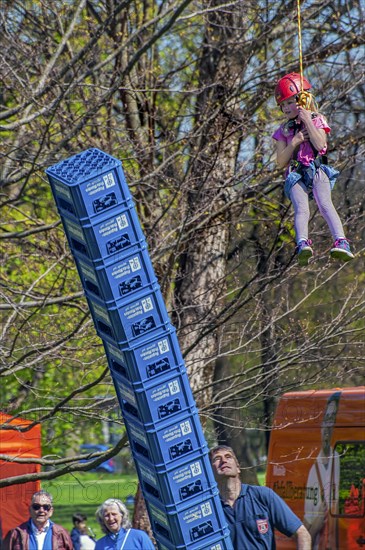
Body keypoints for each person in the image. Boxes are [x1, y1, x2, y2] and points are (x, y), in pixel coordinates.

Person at [272, 72, 354, 266]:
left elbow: (321, 146)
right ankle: (302, 243)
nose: (285, 108)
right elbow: (280, 161)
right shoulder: (283, 131)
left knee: (325, 203)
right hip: (295, 173)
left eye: (289, 102)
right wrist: (294, 142)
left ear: (302, 99)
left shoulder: (317, 119)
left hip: (317, 169)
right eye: (282, 105)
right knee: (302, 209)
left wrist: (307, 120)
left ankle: (341, 241)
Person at [209, 445, 311, 549]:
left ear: (238, 467)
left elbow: (302, 534)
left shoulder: (263, 496)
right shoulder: (210, 509)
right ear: (209, 472)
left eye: (228, 456)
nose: (224, 461)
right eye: (217, 458)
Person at [304, 391, 341, 549]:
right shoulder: (314, 471)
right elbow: (305, 530)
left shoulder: (339, 459)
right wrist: (318, 522)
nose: (328, 426)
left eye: (332, 420)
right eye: (326, 419)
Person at [3, 489, 73, 550]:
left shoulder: (61, 533)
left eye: (46, 507)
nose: (41, 510)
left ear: (51, 511)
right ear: (30, 510)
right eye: (36, 506)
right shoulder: (16, 534)